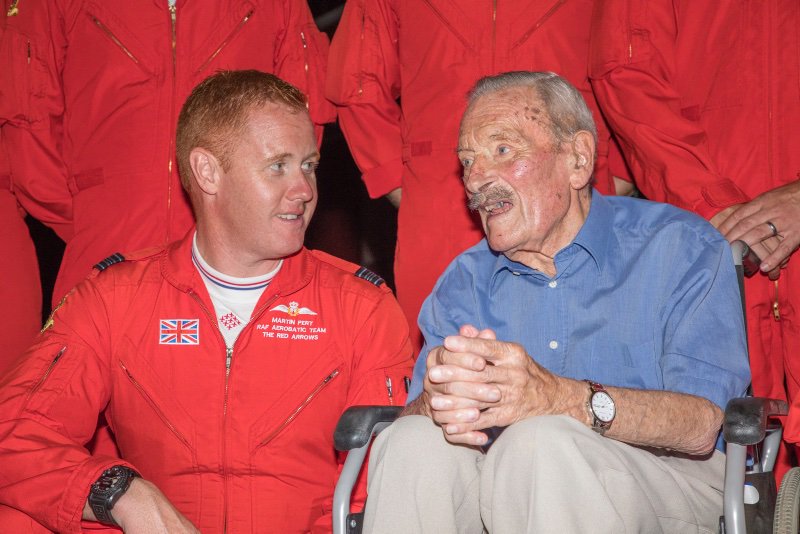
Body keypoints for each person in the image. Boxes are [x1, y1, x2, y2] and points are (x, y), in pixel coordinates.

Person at [0, 70, 414, 534]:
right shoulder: (115, 296)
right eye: (278, 166)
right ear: (207, 172)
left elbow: (380, 482)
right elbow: (14, 432)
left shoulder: (361, 306)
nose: (304, 190)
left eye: (309, 165)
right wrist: (122, 493)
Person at [361, 71, 751, 533]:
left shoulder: (678, 246)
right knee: (410, 441)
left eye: (502, 151)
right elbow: (420, 415)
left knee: (539, 440)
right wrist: (439, 400)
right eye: (467, 161)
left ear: (578, 160)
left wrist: (562, 399)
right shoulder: (464, 281)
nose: (476, 179)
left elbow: (702, 423)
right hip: (504, 482)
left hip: (670, 478)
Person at [326, 0, 633, 351]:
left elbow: (633, 63)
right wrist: (408, 187)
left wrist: (610, 171)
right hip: (443, 198)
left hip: (566, 191)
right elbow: (357, 82)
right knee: (447, 366)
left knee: (590, 353)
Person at [0, 0, 335, 311]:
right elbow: (29, 141)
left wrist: (250, 220)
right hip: (105, 258)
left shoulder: (277, 5)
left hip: (242, 267)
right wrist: (96, 213)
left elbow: (299, 132)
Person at [588, 0, 800, 477]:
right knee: (728, 462)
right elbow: (625, 70)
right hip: (716, 248)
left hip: (736, 232)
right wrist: (712, 205)